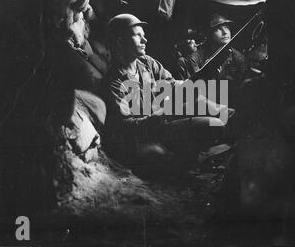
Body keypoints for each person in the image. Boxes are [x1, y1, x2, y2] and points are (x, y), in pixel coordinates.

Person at [99, 13, 236, 165]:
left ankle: (233, 125)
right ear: (120, 41)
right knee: (213, 125)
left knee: (209, 106)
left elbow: (171, 84)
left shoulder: (147, 63)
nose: (145, 40)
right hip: (151, 132)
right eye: (138, 36)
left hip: (163, 118)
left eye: (143, 36)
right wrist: (159, 116)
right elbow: (125, 126)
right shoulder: (114, 82)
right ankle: (190, 156)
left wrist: (197, 80)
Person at [188, 14, 248, 107]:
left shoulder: (239, 58)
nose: (225, 32)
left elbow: (240, 91)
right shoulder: (196, 57)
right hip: (204, 105)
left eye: (227, 28)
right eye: (218, 29)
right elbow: (194, 90)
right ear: (209, 34)